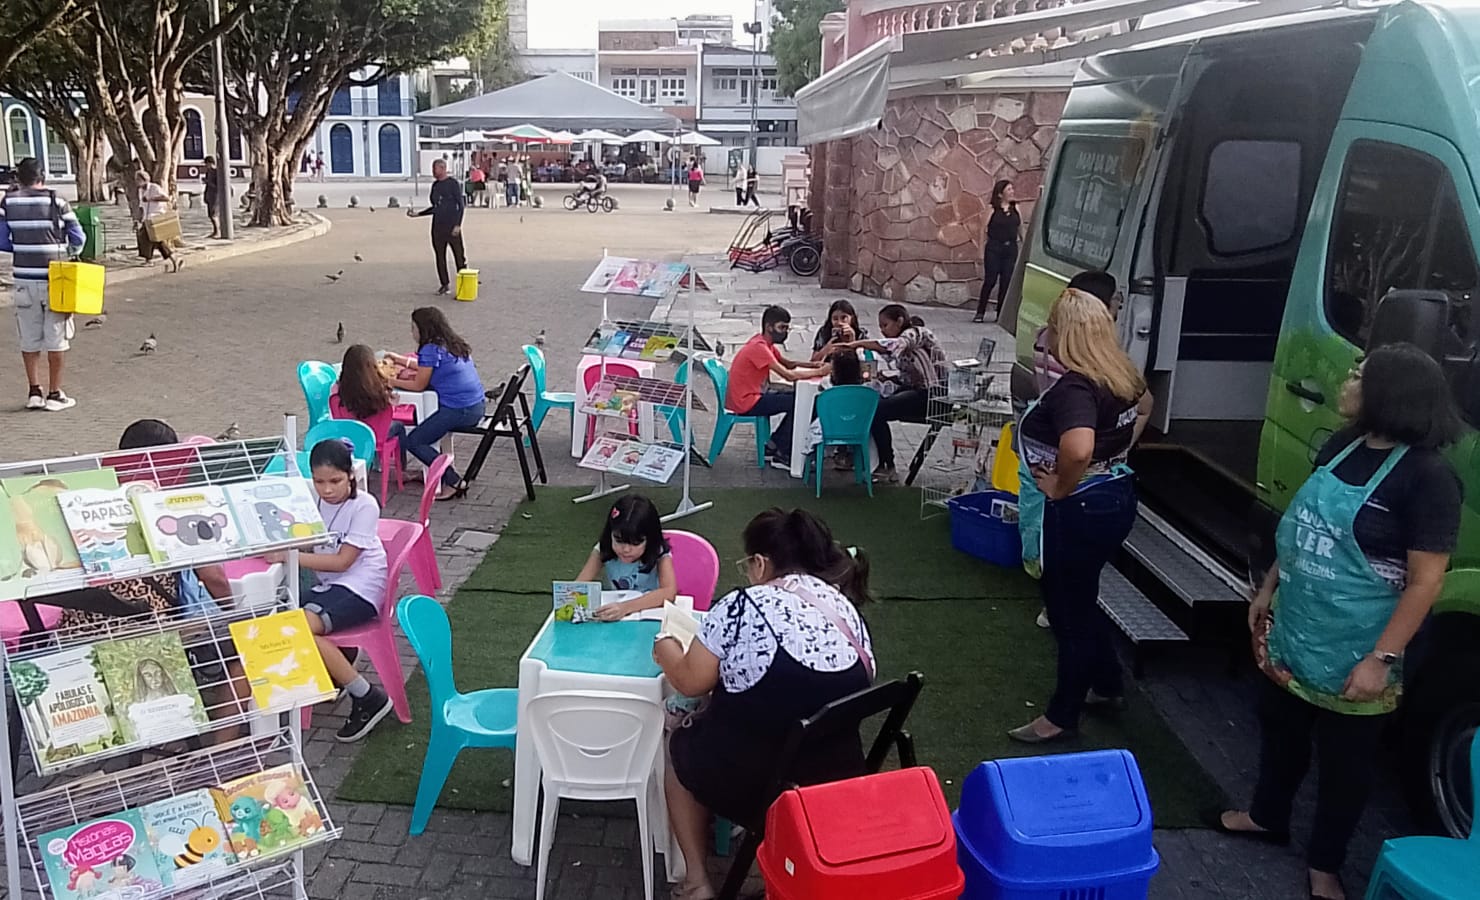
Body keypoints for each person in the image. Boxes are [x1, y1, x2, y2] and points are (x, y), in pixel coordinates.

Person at [1219, 344, 1461, 900]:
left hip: (1361, 645)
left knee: (1346, 765)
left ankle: (1325, 864)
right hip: (1299, 627)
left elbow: (1426, 582)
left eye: (1359, 374)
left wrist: (1381, 660)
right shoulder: (1342, 443)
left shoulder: (1428, 479)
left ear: (1388, 393)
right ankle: (1267, 816)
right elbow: (1306, 523)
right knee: (1280, 731)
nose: (1347, 380)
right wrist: (1270, 586)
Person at [656, 508, 875, 900]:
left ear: (760, 562)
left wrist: (667, 649)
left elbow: (689, 679)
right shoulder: (843, 606)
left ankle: (696, 882)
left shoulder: (742, 605)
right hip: (838, 775)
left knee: (679, 743)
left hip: (766, 781)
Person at [1009, 289, 1153, 745]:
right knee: (1083, 597)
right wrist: (1116, 453)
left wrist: (1062, 486)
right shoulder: (1120, 372)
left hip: (1082, 504)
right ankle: (1108, 685)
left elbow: (1078, 446)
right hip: (1115, 492)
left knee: (1067, 611)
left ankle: (1061, 716)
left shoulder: (1075, 386)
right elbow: (1146, 407)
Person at [269, 438, 394, 743]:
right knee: (278, 619)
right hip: (333, 587)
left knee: (295, 628)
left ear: (351, 474)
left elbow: (342, 561)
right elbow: (309, 539)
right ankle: (336, 668)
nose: (327, 489)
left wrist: (288, 556)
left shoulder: (364, 504)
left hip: (361, 588)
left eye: (335, 481)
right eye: (319, 481)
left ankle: (367, 696)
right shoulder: (316, 500)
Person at [0, 157, 85, 412]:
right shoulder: (56, 200)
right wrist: (66, 251)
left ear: (19, 178)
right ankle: (55, 394)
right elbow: (78, 237)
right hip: (55, 279)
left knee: (29, 338)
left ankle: (34, 392)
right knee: (56, 338)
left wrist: (22, 248)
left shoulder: (8, 202)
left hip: (24, 280)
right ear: (42, 177)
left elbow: (1, 241)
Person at [838, 304, 947, 484]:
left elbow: (891, 346)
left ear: (900, 321)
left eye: (885, 325)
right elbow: (905, 377)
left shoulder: (918, 334)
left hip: (933, 395)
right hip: (918, 391)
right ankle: (876, 460)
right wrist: (888, 379)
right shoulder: (904, 352)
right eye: (880, 326)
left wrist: (855, 343)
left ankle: (887, 464)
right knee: (873, 403)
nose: (882, 331)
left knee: (875, 410)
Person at [387, 307, 485, 500]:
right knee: (427, 429)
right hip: (475, 406)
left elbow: (418, 384)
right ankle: (431, 470)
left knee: (414, 441)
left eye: (413, 327)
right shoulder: (453, 343)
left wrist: (391, 381)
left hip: (459, 410)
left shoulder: (430, 348)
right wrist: (401, 360)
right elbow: (427, 368)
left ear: (423, 329)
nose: (412, 332)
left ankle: (454, 481)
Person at [725, 305, 832, 467]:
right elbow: (788, 375)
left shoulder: (764, 344)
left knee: (799, 399)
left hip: (753, 396)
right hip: (747, 402)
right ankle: (783, 451)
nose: (785, 332)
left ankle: (775, 444)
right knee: (803, 404)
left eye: (787, 328)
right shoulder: (759, 348)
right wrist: (823, 371)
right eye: (782, 327)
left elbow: (789, 364)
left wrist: (814, 366)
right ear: (769, 327)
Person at [573, 495, 677, 621]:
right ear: (610, 534)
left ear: (650, 539)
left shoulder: (659, 553)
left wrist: (625, 608)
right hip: (616, 618)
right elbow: (579, 586)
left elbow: (669, 592)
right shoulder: (603, 549)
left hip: (650, 615)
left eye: (636, 543)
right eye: (618, 540)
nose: (626, 549)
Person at [331, 344, 409, 473]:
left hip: (348, 433)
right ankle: (402, 470)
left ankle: (373, 462)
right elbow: (386, 414)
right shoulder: (376, 391)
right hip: (375, 435)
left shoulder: (337, 389)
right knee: (399, 426)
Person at [406, 159, 466, 295]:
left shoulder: (453, 184)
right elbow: (435, 207)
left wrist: (458, 224)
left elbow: (461, 206)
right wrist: (418, 214)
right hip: (437, 226)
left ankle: (464, 282)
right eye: (433, 169)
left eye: (436, 168)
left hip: (452, 225)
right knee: (440, 256)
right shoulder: (435, 186)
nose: (433, 171)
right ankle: (444, 284)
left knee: (459, 255)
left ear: (443, 168)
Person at [974, 179, 1021, 322]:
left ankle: (1000, 314)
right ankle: (980, 312)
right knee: (990, 280)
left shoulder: (1016, 208)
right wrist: (980, 250)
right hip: (994, 248)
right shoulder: (992, 208)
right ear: (1000, 194)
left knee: (1006, 281)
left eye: (1012, 189)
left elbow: (1020, 228)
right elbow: (982, 229)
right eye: (1009, 189)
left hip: (1010, 248)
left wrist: (1025, 243)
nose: (1012, 192)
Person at [134, 171, 179, 272]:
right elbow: (141, 206)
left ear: (144, 180)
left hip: (156, 216)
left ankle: (148, 259)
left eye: (138, 180)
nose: (136, 182)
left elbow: (166, 198)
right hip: (147, 217)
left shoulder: (154, 188)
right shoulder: (140, 190)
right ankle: (173, 257)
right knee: (157, 240)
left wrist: (151, 199)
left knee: (144, 236)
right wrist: (138, 219)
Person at [202, 156, 221, 240]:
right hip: (209, 195)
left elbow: (217, 185)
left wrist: (208, 182)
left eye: (206, 164)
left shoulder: (216, 172)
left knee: (214, 215)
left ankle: (218, 231)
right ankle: (215, 230)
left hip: (215, 196)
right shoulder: (208, 172)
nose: (206, 166)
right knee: (210, 215)